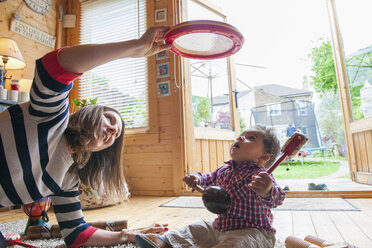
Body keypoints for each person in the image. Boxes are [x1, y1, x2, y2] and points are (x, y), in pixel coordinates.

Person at [0, 26, 172, 247]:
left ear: (101, 150)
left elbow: (76, 233)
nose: (112, 131)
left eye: (115, 135)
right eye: (110, 119)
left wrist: (129, 235)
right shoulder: (50, 116)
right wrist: (134, 48)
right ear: (91, 111)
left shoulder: (67, 178)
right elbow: (53, 67)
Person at [136, 125, 286, 248]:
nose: (240, 138)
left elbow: (278, 198)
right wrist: (198, 178)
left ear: (263, 157)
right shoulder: (224, 170)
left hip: (253, 232)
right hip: (221, 227)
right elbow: (209, 178)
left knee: (236, 244)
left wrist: (268, 190)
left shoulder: (261, 175)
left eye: (250, 138)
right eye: (241, 135)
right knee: (195, 229)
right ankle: (163, 242)